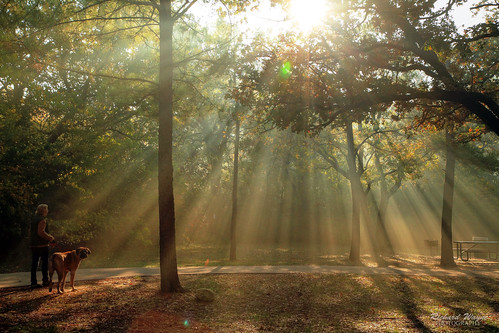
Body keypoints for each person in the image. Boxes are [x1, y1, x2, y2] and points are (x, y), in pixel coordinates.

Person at [30, 204, 55, 290]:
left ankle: (33, 282)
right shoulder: (42, 220)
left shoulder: (33, 219)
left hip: (33, 244)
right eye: (46, 210)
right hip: (42, 245)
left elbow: (31, 232)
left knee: (34, 264)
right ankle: (45, 280)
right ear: (44, 211)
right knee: (44, 263)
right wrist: (50, 238)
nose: (47, 211)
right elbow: (41, 232)